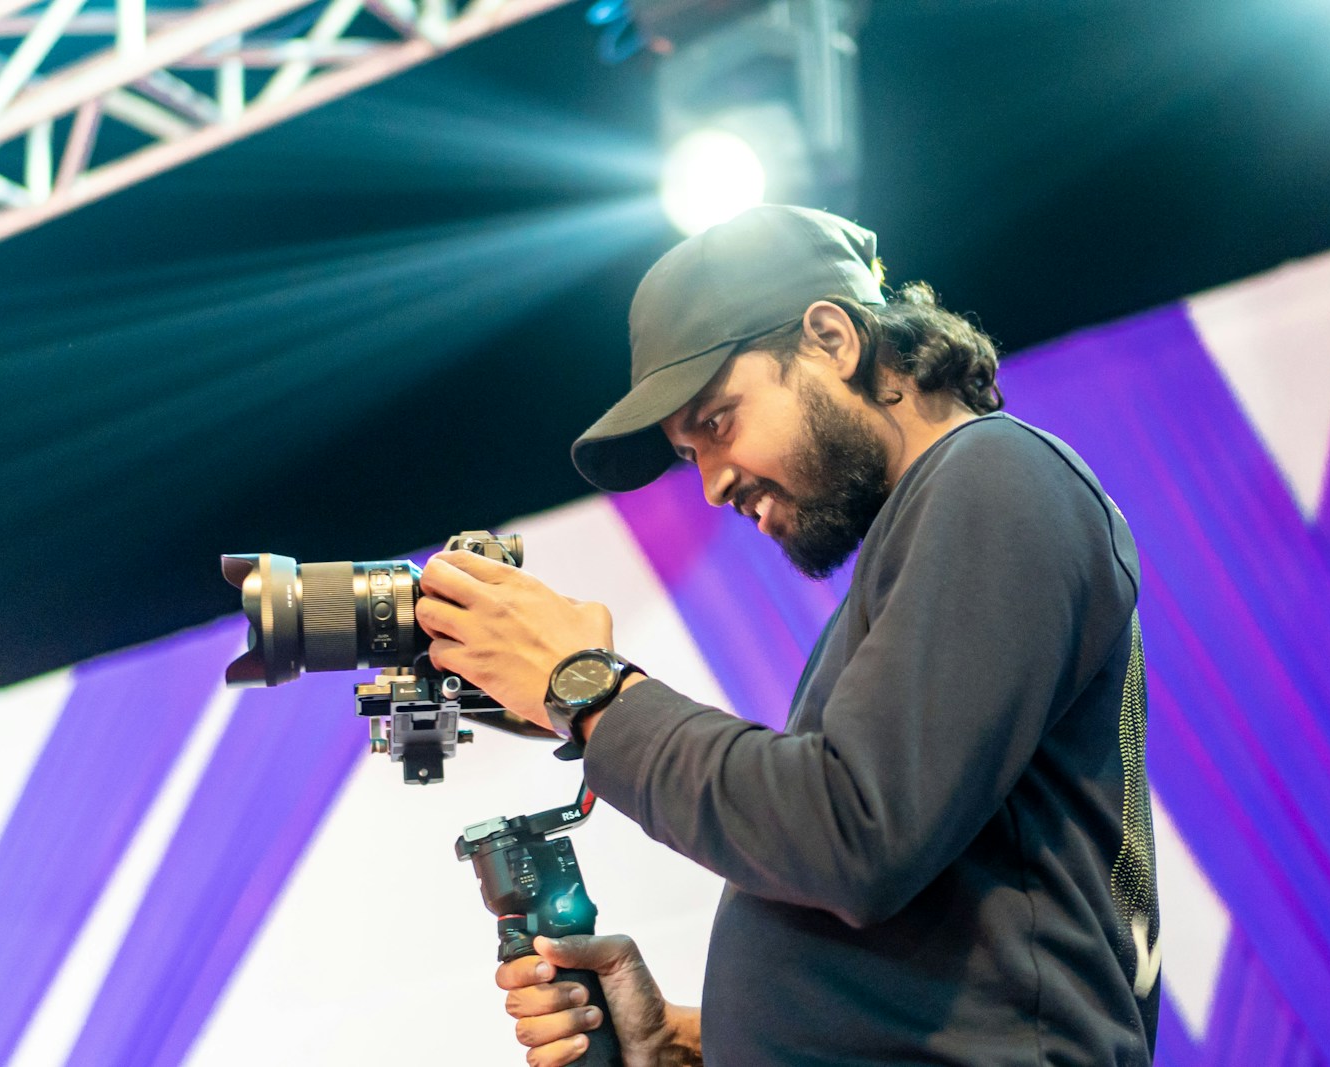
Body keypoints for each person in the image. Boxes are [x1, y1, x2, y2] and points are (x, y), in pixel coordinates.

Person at [414, 205, 1161, 1066]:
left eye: (719, 422)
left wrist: (585, 687)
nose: (713, 484)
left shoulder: (997, 473)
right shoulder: (930, 536)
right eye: (688, 454)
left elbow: (855, 833)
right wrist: (701, 1040)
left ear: (833, 339)